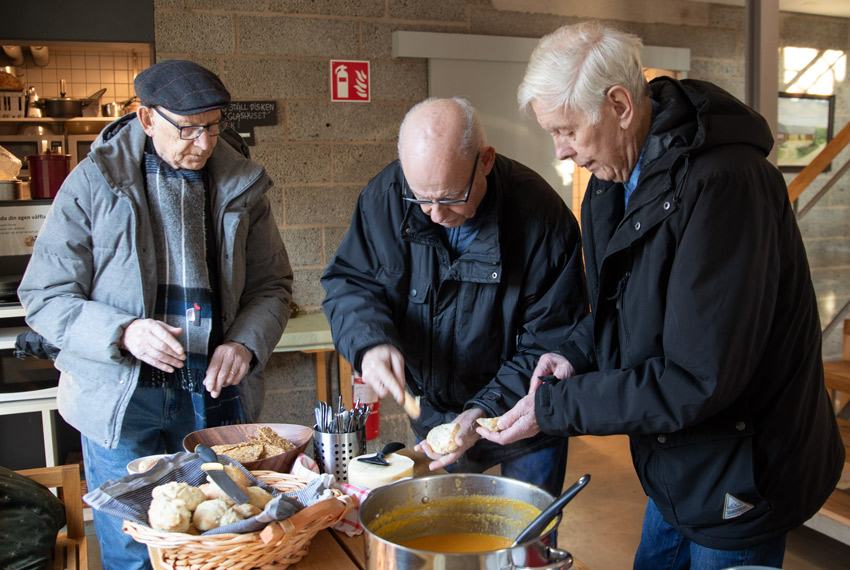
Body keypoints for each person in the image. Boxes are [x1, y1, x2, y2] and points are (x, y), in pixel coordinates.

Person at [478, 21, 845, 570]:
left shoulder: (725, 187)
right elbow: (619, 307)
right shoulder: (609, 181)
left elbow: (697, 377)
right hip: (675, 465)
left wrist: (553, 409)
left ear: (620, 104)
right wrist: (576, 353)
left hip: (740, 473)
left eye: (567, 131)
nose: (562, 152)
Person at [18, 60, 293, 569]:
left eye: (213, 126)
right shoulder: (94, 181)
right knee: (134, 549)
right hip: (122, 405)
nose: (205, 142)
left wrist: (244, 344)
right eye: (187, 128)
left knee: (220, 540)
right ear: (146, 118)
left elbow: (272, 286)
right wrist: (122, 332)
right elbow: (44, 294)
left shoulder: (242, 183)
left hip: (212, 402)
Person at [321, 97, 587, 496]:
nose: (433, 213)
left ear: (485, 161)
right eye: (421, 198)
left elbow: (551, 341)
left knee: (524, 539)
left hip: (520, 421)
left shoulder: (542, 220)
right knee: (450, 535)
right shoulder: (386, 197)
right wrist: (369, 343)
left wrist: (482, 414)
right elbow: (350, 282)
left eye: (449, 197)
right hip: (434, 420)